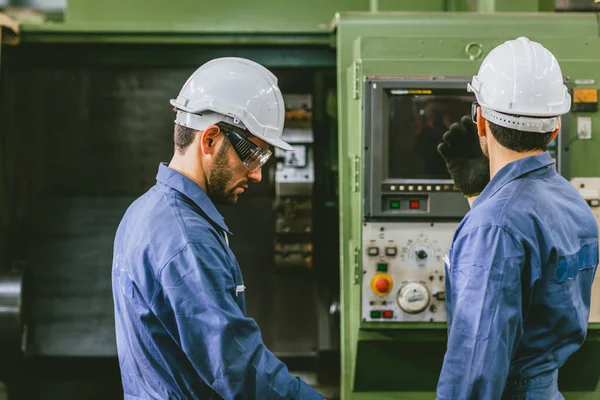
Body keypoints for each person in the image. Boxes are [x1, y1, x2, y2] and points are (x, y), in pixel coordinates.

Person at [111, 57, 325, 399]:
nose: (257, 173)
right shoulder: (186, 239)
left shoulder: (144, 211)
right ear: (210, 139)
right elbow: (237, 368)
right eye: (252, 155)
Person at [435, 37, 599, 399]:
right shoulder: (573, 203)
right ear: (555, 128)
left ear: (480, 121)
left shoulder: (493, 227)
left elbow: (475, 375)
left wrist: (486, 210)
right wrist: (481, 197)